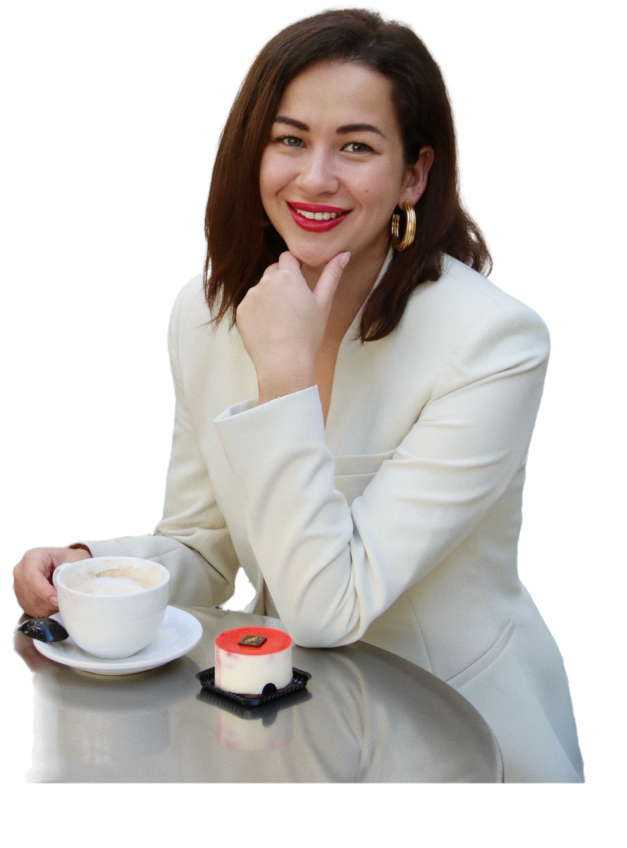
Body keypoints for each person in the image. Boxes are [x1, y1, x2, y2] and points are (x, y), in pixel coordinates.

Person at [12, 6, 584, 783]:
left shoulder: (494, 341)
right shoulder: (205, 312)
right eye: (289, 139)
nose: (314, 177)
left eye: (356, 146)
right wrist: (90, 570)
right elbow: (204, 546)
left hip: (456, 734)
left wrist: (285, 378)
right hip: (288, 724)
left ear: (412, 175)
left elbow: (326, 607)